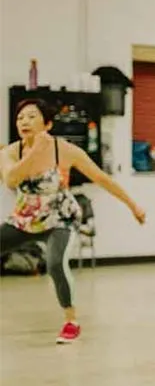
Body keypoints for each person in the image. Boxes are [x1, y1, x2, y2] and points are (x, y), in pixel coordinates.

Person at [0, 99, 146, 344]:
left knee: (55, 263)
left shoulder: (63, 150)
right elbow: (11, 180)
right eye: (20, 118)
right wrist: (34, 151)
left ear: (46, 124)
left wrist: (133, 205)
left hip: (60, 217)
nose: (24, 121)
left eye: (31, 116)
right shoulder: (10, 152)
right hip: (25, 218)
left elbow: (101, 178)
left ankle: (71, 321)